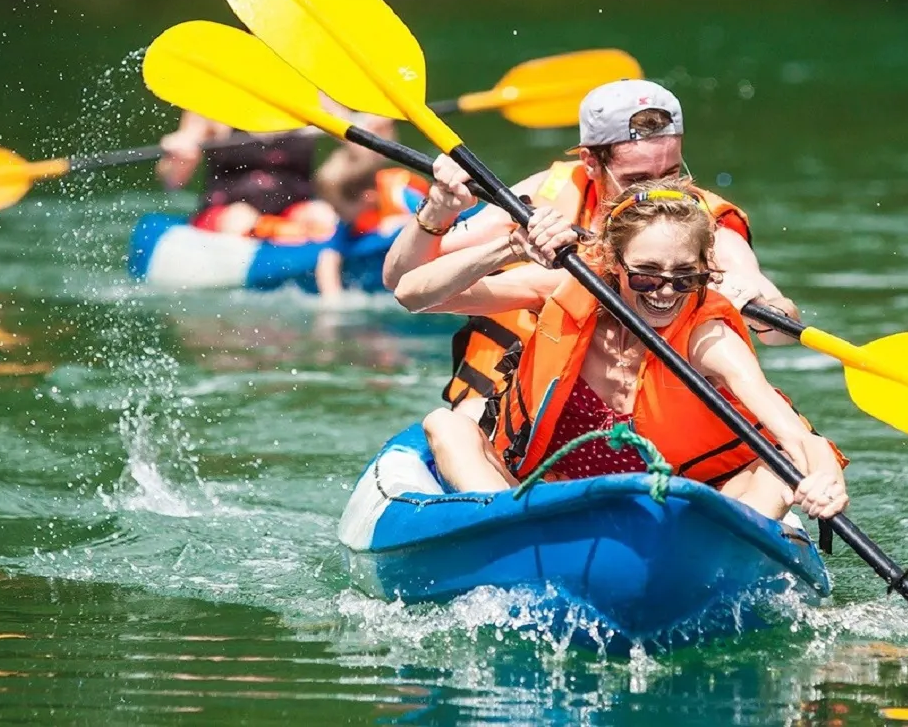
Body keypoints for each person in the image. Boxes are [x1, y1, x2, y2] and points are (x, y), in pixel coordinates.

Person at [394, 177, 848, 522]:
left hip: (679, 514)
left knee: (779, 468)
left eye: (684, 277)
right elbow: (412, 293)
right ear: (614, 264)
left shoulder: (707, 337)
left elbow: (796, 436)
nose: (665, 292)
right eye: (646, 274)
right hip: (548, 506)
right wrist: (507, 246)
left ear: (705, 271)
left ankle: (724, 555)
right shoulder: (568, 289)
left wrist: (826, 479)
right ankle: (508, 534)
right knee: (447, 424)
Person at [381, 79, 801, 429]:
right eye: (636, 178)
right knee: (463, 421)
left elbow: (780, 330)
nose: (655, 194)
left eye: (671, 175)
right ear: (590, 161)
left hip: (652, 410)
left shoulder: (705, 223)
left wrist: (761, 308)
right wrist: (437, 211)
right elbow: (404, 282)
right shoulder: (538, 199)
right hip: (519, 392)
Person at [155, 107, 400, 244]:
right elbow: (172, 181)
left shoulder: (311, 97)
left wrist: (378, 135)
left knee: (323, 216)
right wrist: (178, 158)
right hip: (227, 210)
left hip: (293, 207)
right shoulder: (211, 102)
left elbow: (367, 154)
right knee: (241, 219)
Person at [314, 160, 431, 296]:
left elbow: (432, 216)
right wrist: (332, 297)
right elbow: (329, 256)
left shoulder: (400, 195)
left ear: (366, 199)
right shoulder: (347, 221)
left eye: (338, 208)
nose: (335, 213)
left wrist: (403, 222)